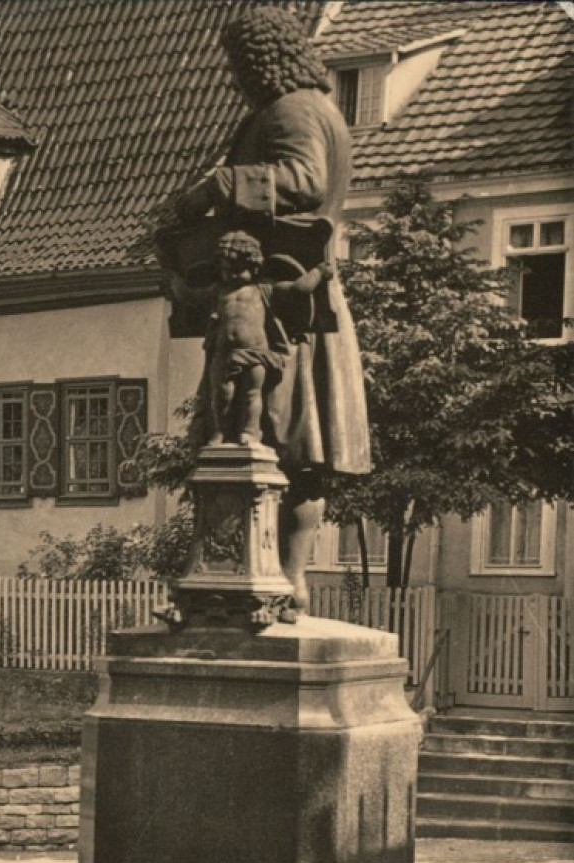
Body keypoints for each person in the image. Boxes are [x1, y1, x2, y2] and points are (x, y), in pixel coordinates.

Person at [167, 7, 372, 615]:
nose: (234, 79)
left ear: (261, 59)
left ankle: (265, 578)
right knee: (298, 452)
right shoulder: (319, 109)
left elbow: (303, 180)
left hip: (279, 308)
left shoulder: (293, 110)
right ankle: (283, 580)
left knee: (260, 437)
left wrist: (218, 186)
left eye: (238, 65)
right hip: (302, 301)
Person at [170, 230, 332, 449]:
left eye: (239, 270)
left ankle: (250, 432)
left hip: (256, 352)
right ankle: (220, 433)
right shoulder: (217, 292)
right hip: (222, 353)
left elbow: (299, 289)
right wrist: (172, 275)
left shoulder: (264, 289)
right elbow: (189, 295)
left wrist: (319, 272)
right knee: (221, 395)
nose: (233, 275)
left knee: (251, 394)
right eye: (227, 270)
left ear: (254, 266)